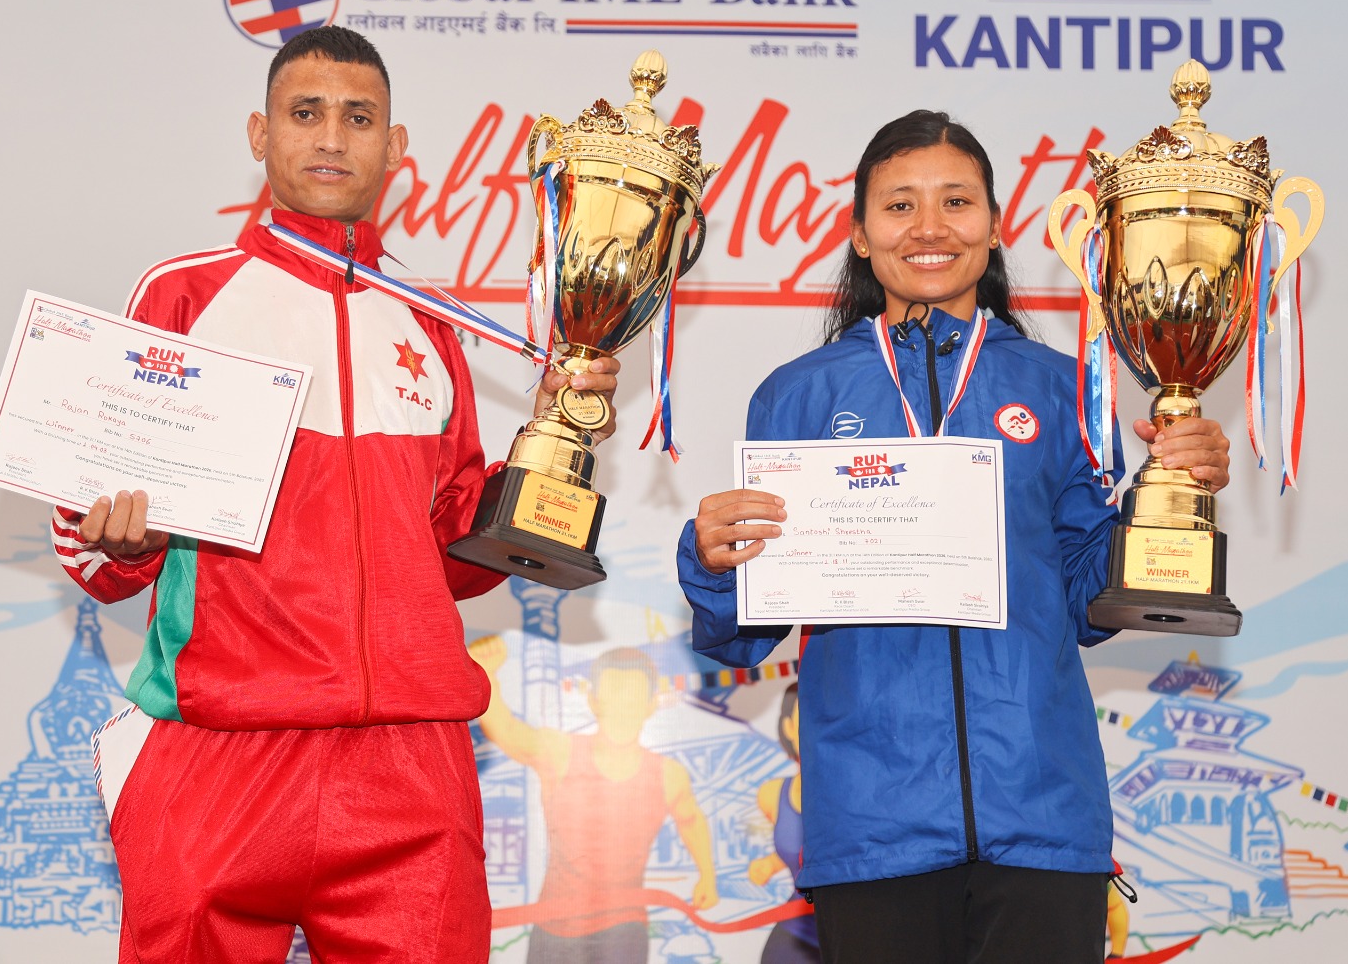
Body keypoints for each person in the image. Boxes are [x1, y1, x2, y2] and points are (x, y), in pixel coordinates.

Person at [50, 25, 619, 963]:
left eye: (358, 119)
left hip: (408, 757)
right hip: (221, 742)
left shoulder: (431, 324)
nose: (330, 137)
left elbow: (451, 556)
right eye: (305, 112)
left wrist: (548, 444)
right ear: (259, 133)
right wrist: (120, 539)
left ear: (395, 148)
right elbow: (91, 541)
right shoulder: (186, 296)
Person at [676, 110, 1233, 964]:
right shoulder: (798, 395)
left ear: (996, 226)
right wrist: (717, 563)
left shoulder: (1066, 389)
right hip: (873, 825)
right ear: (860, 234)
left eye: (957, 202)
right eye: (900, 205)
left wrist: (1162, 500)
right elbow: (743, 633)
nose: (930, 228)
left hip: (1043, 814)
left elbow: (1086, 602)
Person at [467, 637, 719, 963]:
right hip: (556, 928)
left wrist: (707, 876)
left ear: (650, 705)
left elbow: (691, 819)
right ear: (594, 700)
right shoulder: (560, 752)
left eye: (632, 697)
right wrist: (487, 672)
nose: (623, 707)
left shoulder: (669, 774)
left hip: (623, 929)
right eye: (615, 695)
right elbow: (507, 731)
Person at [746, 683, 820, 964]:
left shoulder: (856, 793)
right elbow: (798, 848)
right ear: (788, 727)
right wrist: (770, 863)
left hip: (850, 931)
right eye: (804, 719)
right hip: (794, 936)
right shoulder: (772, 795)